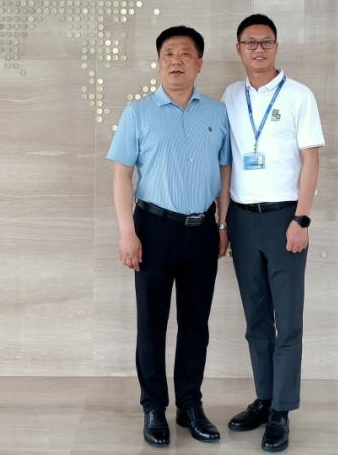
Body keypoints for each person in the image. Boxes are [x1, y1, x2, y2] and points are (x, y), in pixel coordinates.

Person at [108, 25, 232, 447]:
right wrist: (127, 233)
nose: (176, 60)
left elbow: (225, 172)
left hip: (202, 231)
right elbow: (122, 176)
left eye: (185, 53)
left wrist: (222, 225)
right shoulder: (138, 113)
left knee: (196, 324)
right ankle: (154, 407)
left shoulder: (216, 113)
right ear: (159, 63)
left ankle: (190, 406)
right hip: (153, 229)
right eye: (168, 54)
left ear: (199, 63)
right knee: (152, 324)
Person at [221, 14, 325, 452]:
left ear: (276, 47)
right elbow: (226, 163)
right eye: (250, 43)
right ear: (239, 50)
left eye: (266, 42)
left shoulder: (299, 96)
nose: (258, 49)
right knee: (257, 319)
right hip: (243, 220)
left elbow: (311, 160)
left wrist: (302, 219)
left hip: (285, 219)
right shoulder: (230, 96)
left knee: (288, 320)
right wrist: (223, 223)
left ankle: (282, 410)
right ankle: (263, 399)